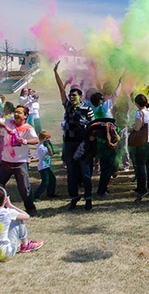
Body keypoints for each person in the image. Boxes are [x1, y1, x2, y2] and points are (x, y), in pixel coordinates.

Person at [54, 61, 94, 210]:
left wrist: (90, 138)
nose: (71, 97)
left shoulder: (87, 109)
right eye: (70, 94)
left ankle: (88, 198)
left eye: (74, 95)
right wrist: (56, 73)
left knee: (85, 172)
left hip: (82, 144)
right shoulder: (67, 106)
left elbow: (93, 125)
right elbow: (60, 89)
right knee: (71, 173)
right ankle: (74, 197)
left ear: (80, 96)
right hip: (69, 143)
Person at [0, 106, 39, 216]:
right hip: (6, 162)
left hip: (20, 162)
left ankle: (31, 209)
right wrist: (5, 127)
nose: (16, 114)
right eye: (15, 112)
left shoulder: (28, 128)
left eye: (19, 113)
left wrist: (24, 141)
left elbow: (36, 139)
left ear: (25, 116)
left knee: (24, 188)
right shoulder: (8, 122)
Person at [0, 186, 43, 262]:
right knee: (18, 220)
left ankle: (16, 243)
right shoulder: (8, 213)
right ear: (4, 200)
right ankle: (26, 244)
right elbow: (26, 216)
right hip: (4, 254)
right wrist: (10, 205)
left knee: (4, 224)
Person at [133, 93, 149, 202]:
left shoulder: (139, 113)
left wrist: (133, 127)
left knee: (141, 166)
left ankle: (142, 189)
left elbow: (138, 127)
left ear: (137, 103)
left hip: (143, 142)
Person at [33, 131, 58, 200]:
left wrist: (50, 145)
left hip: (47, 166)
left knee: (52, 179)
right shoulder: (41, 147)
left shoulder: (43, 146)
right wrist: (48, 146)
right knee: (45, 182)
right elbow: (50, 154)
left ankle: (50, 193)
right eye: (47, 139)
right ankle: (36, 195)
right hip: (43, 167)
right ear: (44, 139)